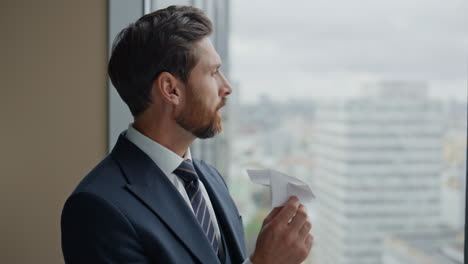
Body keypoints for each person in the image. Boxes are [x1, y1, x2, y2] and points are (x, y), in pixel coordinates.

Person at [61, 5, 313, 264]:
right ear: (171, 89)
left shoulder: (210, 178)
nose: (226, 87)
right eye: (213, 72)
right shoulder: (97, 208)